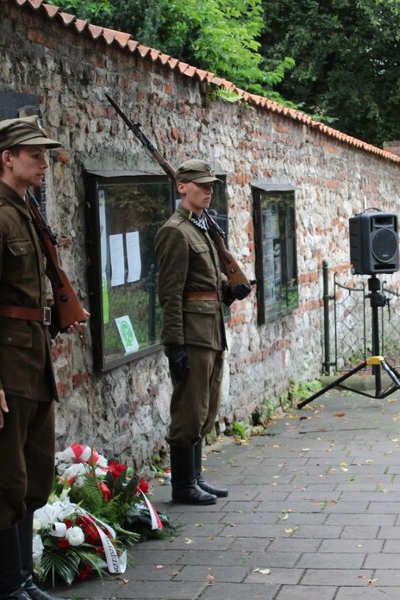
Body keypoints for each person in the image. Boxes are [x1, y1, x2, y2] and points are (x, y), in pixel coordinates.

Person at [0, 116, 77, 600]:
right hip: (4, 370)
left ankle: (24, 579)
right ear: (8, 158)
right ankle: (7, 587)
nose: (44, 162)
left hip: (32, 363)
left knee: (34, 476)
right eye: (34, 154)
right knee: (5, 481)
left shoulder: (22, 210)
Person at [155, 159, 245, 505]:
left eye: (211, 187)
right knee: (189, 410)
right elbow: (171, 293)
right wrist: (174, 343)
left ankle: (195, 476)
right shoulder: (175, 231)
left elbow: (206, 281)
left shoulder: (201, 228)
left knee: (205, 408)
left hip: (210, 329)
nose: (208, 191)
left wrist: (229, 288)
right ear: (182, 187)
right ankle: (182, 485)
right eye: (201, 185)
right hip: (191, 334)